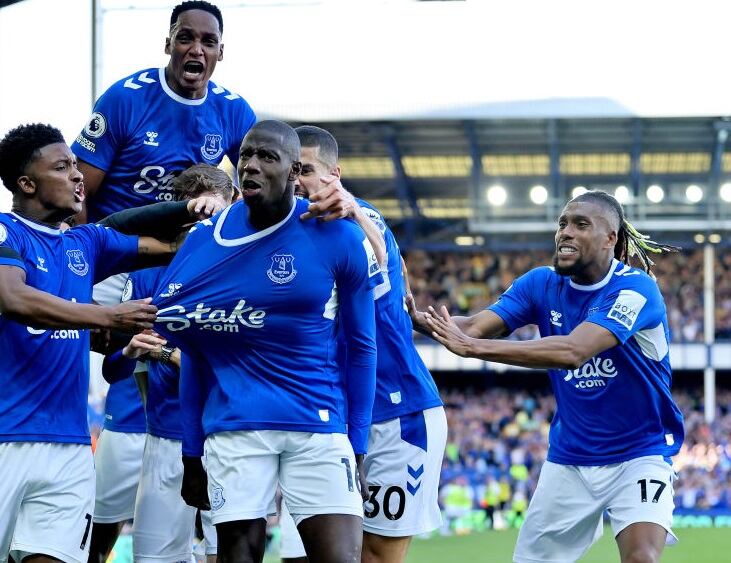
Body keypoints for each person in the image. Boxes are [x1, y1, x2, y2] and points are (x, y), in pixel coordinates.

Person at [0, 123, 189, 563]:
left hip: (70, 447)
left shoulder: (84, 243)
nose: (77, 176)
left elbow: (165, 244)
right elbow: (14, 299)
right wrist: (107, 316)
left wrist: (209, 211)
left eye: (76, 164)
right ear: (26, 183)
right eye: (63, 167)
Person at [155, 120, 380, 563]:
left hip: (318, 424)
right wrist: (191, 452)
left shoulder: (338, 236)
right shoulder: (204, 242)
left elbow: (362, 346)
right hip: (236, 430)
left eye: (267, 158)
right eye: (246, 156)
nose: (252, 166)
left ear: (295, 171)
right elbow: (196, 352)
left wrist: (358, 442)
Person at [418, 190, 684, 563]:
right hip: (570, 461)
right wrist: (412, 317)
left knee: (641, 557)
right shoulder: (541, 284)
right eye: (562, 224)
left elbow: (573, 351)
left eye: (580, 224)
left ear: (611, 238)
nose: (566, 233)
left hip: (640, 454)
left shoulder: (636, 289)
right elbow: (475, 326)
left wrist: (474, 349)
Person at [295, 126, 445, 563]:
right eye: (291, 172)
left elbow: (377, 254)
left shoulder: (359, 216)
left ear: (334, 174)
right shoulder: (292, 234)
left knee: (375, 556)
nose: (297, 181)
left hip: (397, 415)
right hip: (332, 415)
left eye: (307, 170)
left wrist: (354, 213)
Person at [101, 164, 235, 563]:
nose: (205, 226)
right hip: (165, 435)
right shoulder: (146, 275)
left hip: (232, 435)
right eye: (197, 213)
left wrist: (164, 353)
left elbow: (229, 368)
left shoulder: (247, 270)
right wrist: (130, 353)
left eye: (217, 213)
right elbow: (115, 370)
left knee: (227, 553)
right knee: (154, 558)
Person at [72, 0, 255, 225]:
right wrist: (82, 252)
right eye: (185, 38)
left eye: (208, 42)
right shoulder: (124, 99)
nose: (197, 50)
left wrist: (227, 196)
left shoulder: (234, 111)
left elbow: (262, 184)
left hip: (182, 246)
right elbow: (77, 191)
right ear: (169, 45)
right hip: (115, 243)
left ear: (220, 52)